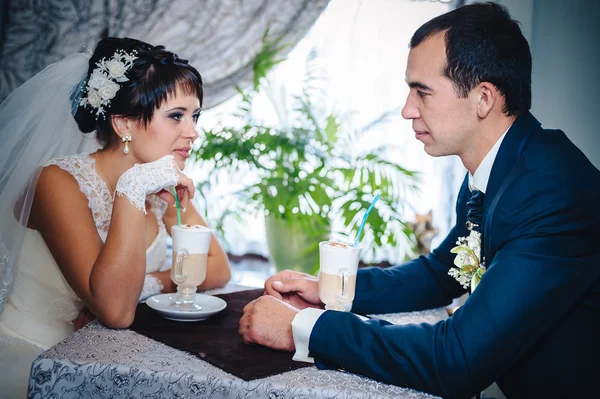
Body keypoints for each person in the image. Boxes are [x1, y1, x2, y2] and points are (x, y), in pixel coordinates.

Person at [238, 3, 600, 398]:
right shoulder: (503, 167)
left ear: (483, 98)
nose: (407, 109)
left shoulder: (551, 189)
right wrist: (330, 287)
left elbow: (456, 358)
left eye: (422, 91)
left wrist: (302, 328)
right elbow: (440, 272)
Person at [0, 37, 231, 396]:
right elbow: (116, 310)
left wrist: (149, 282)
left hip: (104, 360)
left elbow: (216, 268)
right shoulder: (57, 182)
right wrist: (133, 187)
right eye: (176, 116)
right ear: (124, 124)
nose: (193, 132)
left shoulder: (161, 183)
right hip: (33, 358)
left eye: (194, 116)